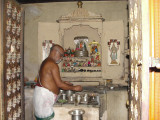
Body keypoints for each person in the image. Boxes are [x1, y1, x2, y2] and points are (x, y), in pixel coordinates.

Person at [33, 44, 83, 120]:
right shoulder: (52, 64)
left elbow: (51, 80)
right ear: (55, 52)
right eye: (61, 55)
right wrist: (74, 88)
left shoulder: (46, 61)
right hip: (44, 98)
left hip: (42, 96)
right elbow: (59, 84)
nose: (61, 58)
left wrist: (64, 82)